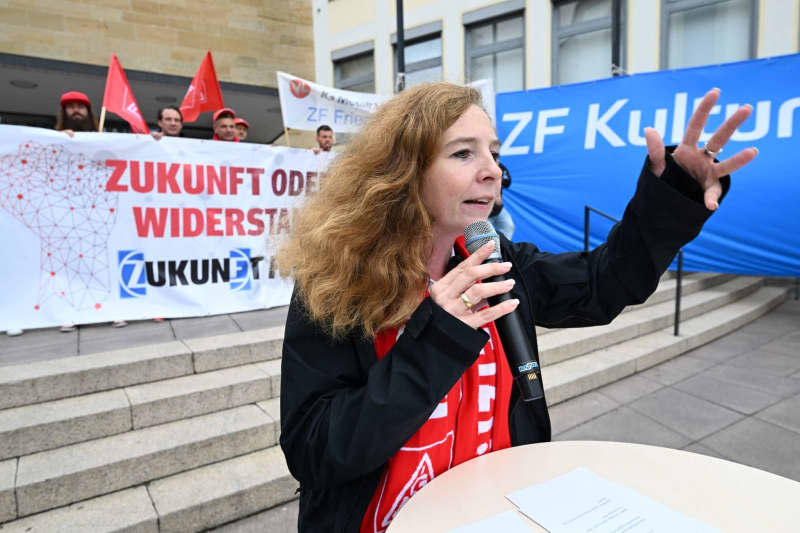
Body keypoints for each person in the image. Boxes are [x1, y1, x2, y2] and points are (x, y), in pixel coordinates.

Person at [276, 82, 756, 532]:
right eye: (463, 152)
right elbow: (316, 451)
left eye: (494, 153)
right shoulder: (336, 285)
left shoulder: (496, 260)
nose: (492, 170)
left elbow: (605, 283)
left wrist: (672, 195)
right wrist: (436, 338)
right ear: (401, 171)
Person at [488, 161, 515, 239]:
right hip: (484, 212)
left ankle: (503, 249)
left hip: (499, 210)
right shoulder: (480, 167)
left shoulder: (500, 166)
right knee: (487, 236)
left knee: (509, 226)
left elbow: (508, 182)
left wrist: (499, 179)